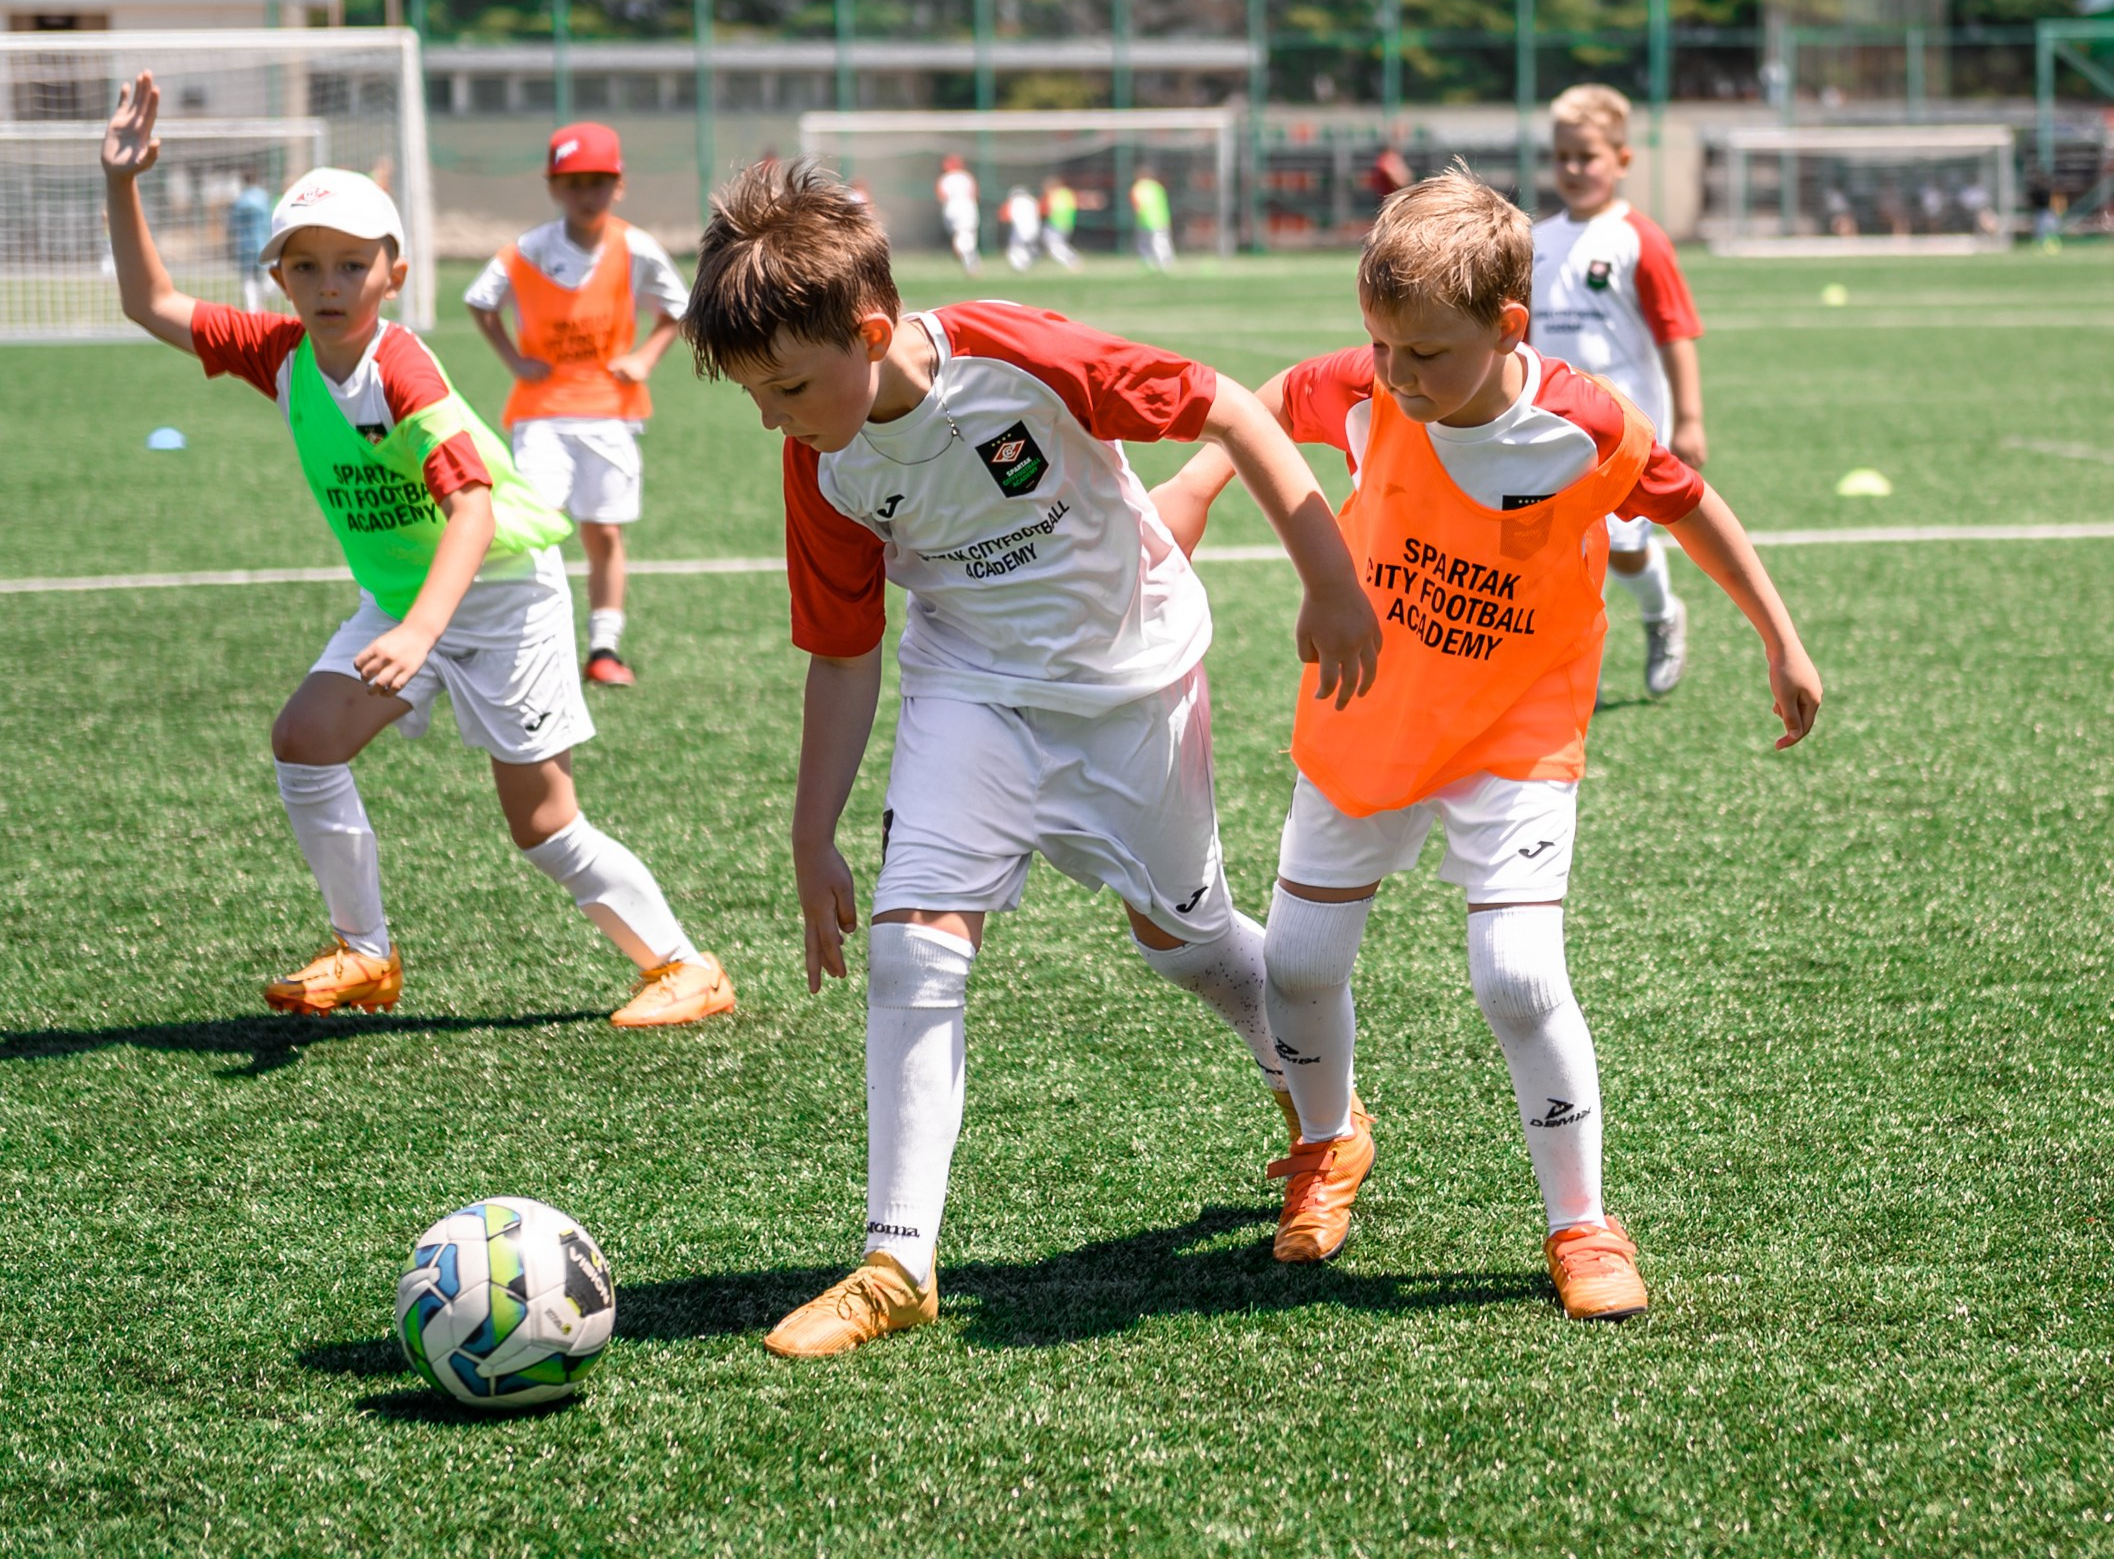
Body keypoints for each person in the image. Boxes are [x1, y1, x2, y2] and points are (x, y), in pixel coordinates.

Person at [678, 159, 1380, 1359]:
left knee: (1186, 940)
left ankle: (1326, 1118)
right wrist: (811, 833)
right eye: (755, 395)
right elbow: (845, 657)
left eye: (788, 384)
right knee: (916, 942)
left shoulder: (1016, 356)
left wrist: (1330, 582)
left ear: (873, 332)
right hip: (973, 694)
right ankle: (898, 1257)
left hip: (1131, 684)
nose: (773, 418)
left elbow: (1229, 409)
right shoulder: (823, 460)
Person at [1152, 168, 1821, 1321]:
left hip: (1515, 732)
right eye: (1379, 347)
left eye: (1426, 355)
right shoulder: (1370, 385)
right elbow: (1258, 402)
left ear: (1509, 327)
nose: (1395, 378)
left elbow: (1688, 503)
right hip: (1369, 713)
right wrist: (1201, 482)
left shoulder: (1585, 422)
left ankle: (1581, 1220)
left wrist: (1779, 634)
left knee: (1515, 975)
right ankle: (1327, 1142)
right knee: (1302, 964)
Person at [99, 73, 734, 1029]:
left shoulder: (401, 365)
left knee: (543, 822)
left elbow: (473, 505)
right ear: (279, 279)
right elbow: (151, 302)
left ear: (393, 271)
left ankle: (686, 967)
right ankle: (365, 952)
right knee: (304, 743)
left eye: (352, 264)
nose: (328, 285)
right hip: (410, 603)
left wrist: (421, 629)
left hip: (502, 600)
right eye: (305, 267)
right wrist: (122, 183)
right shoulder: (281, 353)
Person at [466, 123, 687, 689]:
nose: (586, 194)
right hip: (542, 413)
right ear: (553, 187)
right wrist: (515, 362)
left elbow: (678, 309)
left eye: (598, 182)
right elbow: (480, 301)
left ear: (619, 185)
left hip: (611, 413)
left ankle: (604, 648)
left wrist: (643, 359)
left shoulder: (635, 246)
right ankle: (526, 640)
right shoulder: (530, 249)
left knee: (604, 533)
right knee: (534, 529)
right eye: (573, 183)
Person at [1531, 84, 1707, 699]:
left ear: (1622, 160)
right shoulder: (1534, 241)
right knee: (1546, 549)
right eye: (1563, 156)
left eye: (1588, 156)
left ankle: (1661, 613)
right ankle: (1559, 666)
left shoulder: (1640, 239)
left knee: (1626, 549)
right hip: (1549, 423)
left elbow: (1676, 332)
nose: (1574, 169)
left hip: (1625, 427)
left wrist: (1689, 419)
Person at [228, 166, 271, 311]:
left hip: (244, 245)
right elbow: (269, 222)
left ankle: (252, 308)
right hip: (262, 243)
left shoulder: (240, 200)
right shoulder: (263, 197)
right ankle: (259, 301)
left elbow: (233, 225)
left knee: (248, 278)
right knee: (266, 276)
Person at [935, 154, 981, 275]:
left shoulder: (944, 178)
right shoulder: (967, 177)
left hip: (952, 209)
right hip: (967, 208)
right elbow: (975, 194)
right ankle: (971, 263)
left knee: (962, 240)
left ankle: (971, 264)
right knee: (966, 237)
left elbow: (941, 196)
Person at [1130, 165, 1175, 271]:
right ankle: (1165, 263)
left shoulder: (1138, 187)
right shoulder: (1157, 187)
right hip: (1160, 219)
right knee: (1161, 242)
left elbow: (1136, 204)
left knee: (1145, 243)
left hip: (1145, 220)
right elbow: (1163, 204)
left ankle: (1147, 263)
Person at [1039, 177, 1082, 270]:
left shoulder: (1053, 194)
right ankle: (1072, 259)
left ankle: (1072, 259)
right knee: (1058, 244)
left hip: (1056, 223)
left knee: (1054, 247)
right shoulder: (1067, 193)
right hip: (1068, 223)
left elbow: (1047, 209)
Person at [1001, 184, 1041, 273]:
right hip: (1034, 229)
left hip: (1019, 229)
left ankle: (1021, 265)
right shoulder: (1032, 201)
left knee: (1014, 249)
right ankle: (1028, 259)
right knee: (1024, 247)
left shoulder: (1014, 202)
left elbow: (1005, 216)